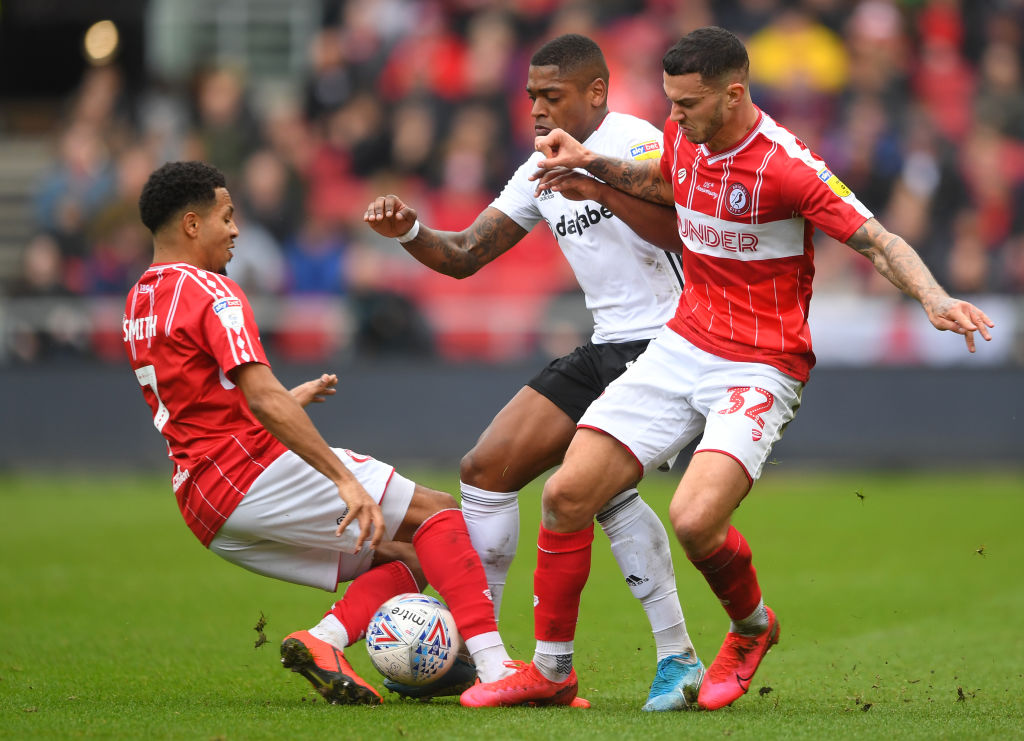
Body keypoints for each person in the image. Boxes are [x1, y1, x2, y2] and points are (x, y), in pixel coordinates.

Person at [462, 26, 994, 710]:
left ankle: (750, 627)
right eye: (670, 103)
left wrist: (934, 296)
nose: (672, 120)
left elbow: (877, 239)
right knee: (567, 495)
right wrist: (591, 163)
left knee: (694, 520)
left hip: (762, 363)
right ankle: (552, 669)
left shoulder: (787, 166)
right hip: (684, 342)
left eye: (686, 105)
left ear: (733, 94)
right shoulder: (685, 136)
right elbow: (661, 180)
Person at [364, 34, 702, 711]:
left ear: (595, 93)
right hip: (605, 346)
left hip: (670, 343)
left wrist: (593, 175)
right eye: (532, 98)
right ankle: (475, 640)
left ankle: (678, 657)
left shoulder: (633, 140)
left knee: (593, 494)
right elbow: (464, 254)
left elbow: (679, 229)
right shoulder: (535, 169)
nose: (539, 111)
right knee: (485, 470)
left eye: (554, 96)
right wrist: (408, 231)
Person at [123, 160, 519, 706]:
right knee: (438, 512)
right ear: (192, 224)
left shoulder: (139, 301)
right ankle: (497, 668)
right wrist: (343, 481)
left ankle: (325, 641)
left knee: (410, 556)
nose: (236, 231)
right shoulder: (211, 291)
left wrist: (288, 400)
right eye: (227, 217)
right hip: (248, 472)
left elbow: (201, 401)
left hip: (203, 505)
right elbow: (258, 396)